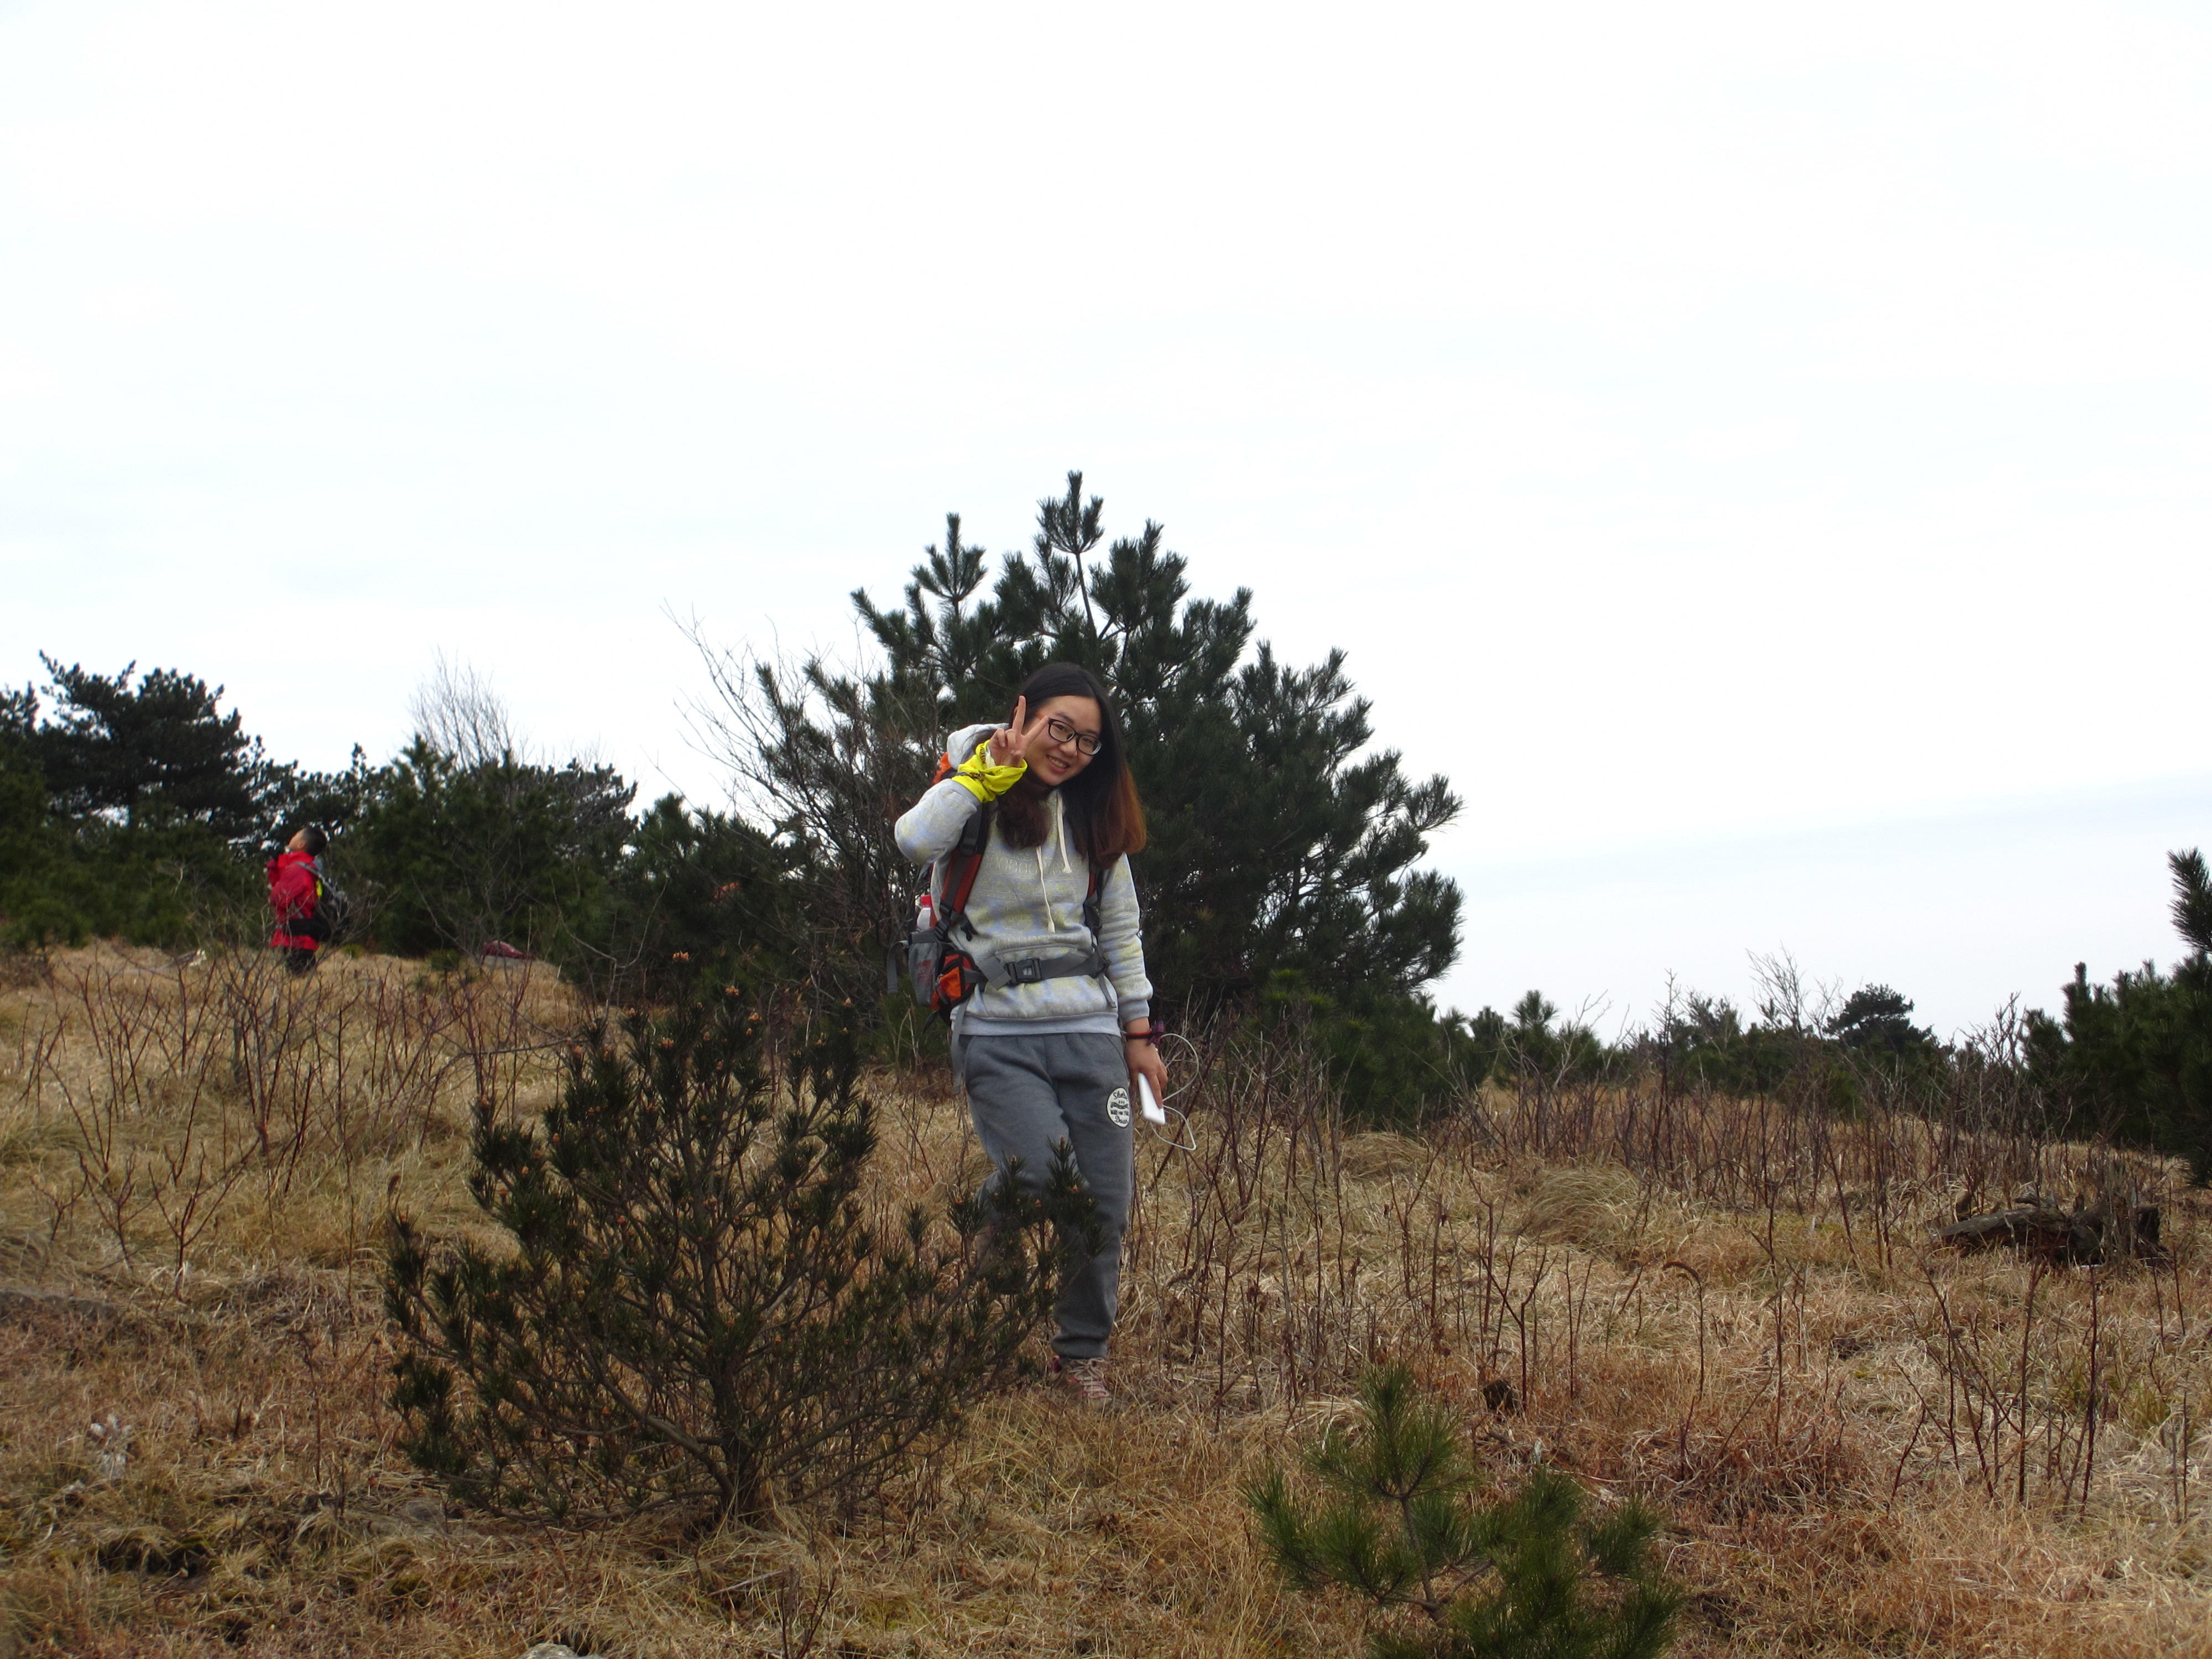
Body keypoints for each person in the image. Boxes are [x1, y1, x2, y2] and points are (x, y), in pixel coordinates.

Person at [895, 661, 1168, 1405]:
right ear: (1024, 715)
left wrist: (1139, 1032)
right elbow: (913, 840)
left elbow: (1120, 930)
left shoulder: (1091, 815)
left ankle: (1081, 1358)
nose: (1071, 750)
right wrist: (985, 776)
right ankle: (988, 1224)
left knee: (1104, 1200)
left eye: (1087, 741)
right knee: (1043, 1176)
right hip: (996, 1029)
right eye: (1060, 729)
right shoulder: (973, 793)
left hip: (1091, 1033)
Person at [267, 826, 335, 975]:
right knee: (302, 977)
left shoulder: (297, 869)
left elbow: (279, 898)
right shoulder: (307, 868)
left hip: (298, 936)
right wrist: (275, 866)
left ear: (301, 844)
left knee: (297, 979)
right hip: (301, 934)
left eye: (296, 835)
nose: (292, 837)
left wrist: (273, 893)